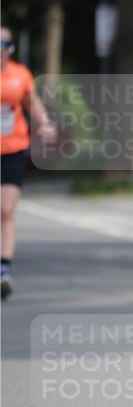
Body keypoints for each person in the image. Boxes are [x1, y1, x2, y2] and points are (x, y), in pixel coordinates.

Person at [1, 26, 56, 299]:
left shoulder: (20, 75)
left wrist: (44, 123)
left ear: (10, 47)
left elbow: (31, 102)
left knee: (6, 210)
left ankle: (4, 270)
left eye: (3, 42)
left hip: (13, 148)